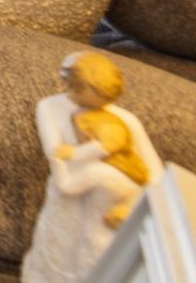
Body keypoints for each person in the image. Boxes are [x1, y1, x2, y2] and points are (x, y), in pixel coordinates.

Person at [22, 51, 160, 283]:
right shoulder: (51, 108)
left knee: (98, 260)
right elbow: (57, 158)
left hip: (107, 210)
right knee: (58, 258)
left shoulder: (126, 120)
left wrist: (131, 205)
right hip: (68, 208)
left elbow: (155, 176)